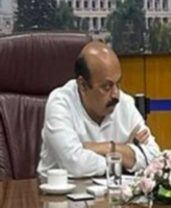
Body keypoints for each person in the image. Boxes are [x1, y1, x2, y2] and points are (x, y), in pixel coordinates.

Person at [38, 41, 160, 177]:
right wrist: (125, 155)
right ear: (83, 85)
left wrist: (108, 147)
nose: (115, 94)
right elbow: (76, 165)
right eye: (107, 87)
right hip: (61, 190)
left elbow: (154, 158)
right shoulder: (60, 103)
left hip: (113, 188)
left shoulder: (124, 103)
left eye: (118, 84)